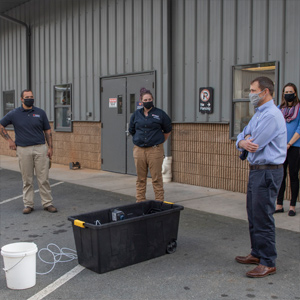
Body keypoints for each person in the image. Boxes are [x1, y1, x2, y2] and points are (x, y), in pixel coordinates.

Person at [235, 77, 287, 278]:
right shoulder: (259, 114)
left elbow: (254, 143)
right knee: (254, 213)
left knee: (263, 216)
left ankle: (268, 261)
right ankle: (256, 253)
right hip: (257, 170)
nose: (250, 94)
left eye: (253, 90)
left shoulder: (272, 116)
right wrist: (241, 142)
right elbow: (243, 136)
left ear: (265, 92)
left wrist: (246, 141)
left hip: (267, 171)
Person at [0, 90, 57, 214]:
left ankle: (47, 203)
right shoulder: (14, 114)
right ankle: (28, 204)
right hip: (23, 149)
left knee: (43, 178)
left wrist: (50, 147)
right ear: (21, 99)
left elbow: (47, 130)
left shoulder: (40, 113)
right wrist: (9, 140)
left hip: (40, 148)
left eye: (31, 97)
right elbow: (1, 125)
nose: (30, 99)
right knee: (27, 179)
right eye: (27, 97)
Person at [129, 88, 172, 202]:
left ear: (152, 100)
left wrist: (159, 141)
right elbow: (132, 130)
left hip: (155, 150)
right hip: (139, 150)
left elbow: (167, 130)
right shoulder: (136, 115)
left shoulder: (160, 114)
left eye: (149, 99)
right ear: (141, 101)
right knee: (141, 178)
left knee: (156, 178)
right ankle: (140, 201)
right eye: (145, 99)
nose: (147, 101)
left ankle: (159, 202)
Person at [275, 83, 300, 217]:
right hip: (281, 147)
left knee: (293, 176)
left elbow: (299, 128)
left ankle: (292, 206)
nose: (288, 93)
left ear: (295, 93)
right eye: (286, 91)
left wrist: (289, 143)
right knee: (281, 175)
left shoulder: (299, 108)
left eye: (291, 91)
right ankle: (279, 205)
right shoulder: (280, 108)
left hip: (295, 147)